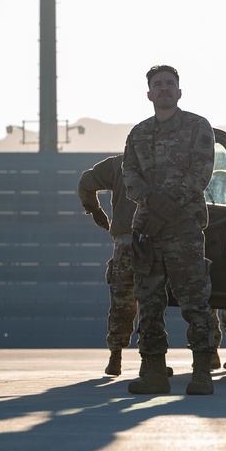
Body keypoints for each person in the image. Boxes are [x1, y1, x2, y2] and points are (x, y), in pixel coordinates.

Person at [123, 64, 218, 395]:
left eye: (170, 84)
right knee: (148, 301)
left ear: (180, 91)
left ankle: (203, 371)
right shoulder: (138, 133)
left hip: (184, 229)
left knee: (194, 300)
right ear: (149, 94)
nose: (164, 88)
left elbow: (201, 171)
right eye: (158, 84)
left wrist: (166, 206)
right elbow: (130, 176)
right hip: (149, 231)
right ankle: (153, 372)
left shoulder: (197, 127)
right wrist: (151, 199)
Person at [78, 155, 138, 376]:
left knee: (122, 301)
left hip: (126, 243)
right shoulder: (166, 162)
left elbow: (86, 182)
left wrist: (95, 211)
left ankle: (116, 356)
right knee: (154, 301)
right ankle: (153, 360)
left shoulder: (119, 164)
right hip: (157, 242)